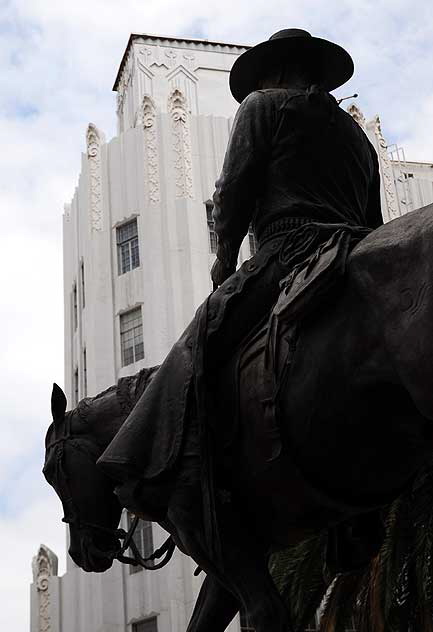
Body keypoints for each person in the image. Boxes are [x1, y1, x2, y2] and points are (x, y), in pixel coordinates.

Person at [98, 29, 383, 530]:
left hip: (289, 250)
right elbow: (375, 221)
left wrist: (223, 263)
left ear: (275, 70)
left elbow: (233, 193)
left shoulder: (262, 107)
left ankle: (152, 460)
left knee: (198, 342)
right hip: (355, 251)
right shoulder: (357, 136)